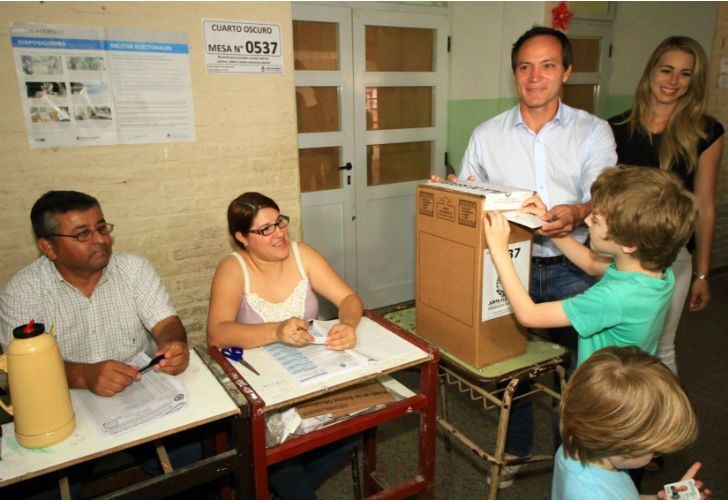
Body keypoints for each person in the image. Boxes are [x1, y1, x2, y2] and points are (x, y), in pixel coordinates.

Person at [432, 25, 617, 486]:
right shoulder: (487, 134)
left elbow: (604, 196)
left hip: (573, 270)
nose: (535, 77)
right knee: (508, 369)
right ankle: (513, 451)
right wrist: (448, 196)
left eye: (548, 65)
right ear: (515, 73)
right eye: (525, 67)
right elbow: (469, 197)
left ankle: (573, 468)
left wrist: (577, 210)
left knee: (577, 381)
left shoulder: (592, 131)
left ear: (567, 72)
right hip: (506, 270)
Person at [0, 190, 195, 498]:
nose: (100, 240)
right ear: (48, 246)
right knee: (45, 488)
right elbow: (24, 372)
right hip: (62, 401)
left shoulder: (133, 270)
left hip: (138, 389)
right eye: (83, 234)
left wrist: (173, 345)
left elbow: (167, 323)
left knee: (192, 462)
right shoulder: (23, 292)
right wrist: (84, 376)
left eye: (102, 228)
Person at [206, 192, 364, 500]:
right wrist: (276, 331)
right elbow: (217, 333)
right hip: (262, 381)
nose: (279, 233)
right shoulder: (233, 268)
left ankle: (273, 482)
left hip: (310, 369)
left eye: (279, 222)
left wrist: (348, 324)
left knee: (354, 425)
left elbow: (349, 299)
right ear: (242, 237)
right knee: (276, 448)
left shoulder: (303, 254)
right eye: (265, 229)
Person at [485, 165, 698, 366]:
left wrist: (500, 251)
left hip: (601, 395)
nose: (586, 222)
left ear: (629, 244)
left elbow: (529, 315)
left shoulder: (613, 298)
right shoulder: (655, 271)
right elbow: (589, 263)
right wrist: (545, 223)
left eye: (595, 221)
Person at [608, 36, 724, 376]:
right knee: (616, 350)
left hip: (673, 257)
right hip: (618, 255)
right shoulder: (614, 129)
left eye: (685, 74)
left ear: (694, 81)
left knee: (660, 349)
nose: (673, 82)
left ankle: (665, 428)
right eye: (667, 70)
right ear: (651, 71)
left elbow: (704, 205)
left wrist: (703, 274)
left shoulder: (706, 132)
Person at [553, 346, 710, 500]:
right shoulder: (591, 494)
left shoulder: (576, 445)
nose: (657, 455)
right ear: (617, 443)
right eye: (655, 451)